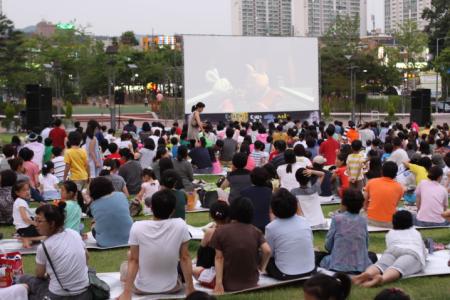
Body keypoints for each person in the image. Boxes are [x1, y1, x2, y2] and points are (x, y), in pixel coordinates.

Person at [118, 189, 195, 298]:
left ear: (151, 208)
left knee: (126, 264)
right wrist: (190, 288)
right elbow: (185, 257)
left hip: (141, 288)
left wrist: (126, 293)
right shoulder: (180, 224)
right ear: (173, 210)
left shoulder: (137, 226)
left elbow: (134, 260)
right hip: (172, 288)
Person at [18, 203, 90, 299]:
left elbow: (39, 275)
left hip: (58, 295)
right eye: (35, 220)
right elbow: (87, 257)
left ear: (52, 223)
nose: (36, 224)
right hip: (84, 293)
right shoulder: (74, 233)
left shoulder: (44, 246)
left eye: (39, 221)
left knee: (23, 278)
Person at [210, 196, 271, 293]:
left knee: (197, 272)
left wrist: (218, 283)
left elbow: (219, 258)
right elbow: (267, 250)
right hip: (252, 282)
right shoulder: (255, 231)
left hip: (227, 284)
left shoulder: (220, 231)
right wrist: (261, 268)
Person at [353, 211, 427, 287]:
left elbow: (389, 246)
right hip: (411, 252)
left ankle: (367, 274)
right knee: (398, 268)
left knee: (380, 265)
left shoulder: (390, 233)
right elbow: (423, 251)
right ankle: (382, 279)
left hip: (392, 250)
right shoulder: (416, 233)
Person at [318, 189, 377, 274]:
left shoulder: (337, 219)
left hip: (337, 265)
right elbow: (366, 245)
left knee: (318, 256)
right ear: (361, 204)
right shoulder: (363, 220)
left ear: (344, 204)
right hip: (360, 265)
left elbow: (328, 245)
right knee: (372, 255)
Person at [265, 188, 315, 280]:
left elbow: (269, 253)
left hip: (285, 273)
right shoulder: (304, 221)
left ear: (273, 208)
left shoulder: (271, 227)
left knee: (262, 256)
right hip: (310, 270)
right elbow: (310, 243)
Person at [193, 202, 230, 287]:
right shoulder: (234, 230)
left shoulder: (210, 232)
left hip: (212, 271)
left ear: (212, 216)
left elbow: (201, 253)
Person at [89, 177, 133, 247]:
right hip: (130, 238)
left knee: (93, 223)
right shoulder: (121, 195)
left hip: (104, 242)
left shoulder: (94, 205)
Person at [364, 162, 404, 228]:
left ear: (381, 171)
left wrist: (365, 209)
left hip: (371, 220)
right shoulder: (399, 187)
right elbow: (395, 204)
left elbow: (364, 201)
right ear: (395, 174)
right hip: (390, 222)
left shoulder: (371, 182)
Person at [12, 181, 45, 248]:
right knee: (46, 235)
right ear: (17, 193)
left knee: (43, 235)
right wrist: (35, 223)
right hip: (25, 228)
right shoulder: (20, 202)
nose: (27, 192)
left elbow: (28, 216)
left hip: (24, 228)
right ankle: (26, 239)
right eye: (24, 190)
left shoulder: (21, 201)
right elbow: (25, 218)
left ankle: (26, 238)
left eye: (28, 189)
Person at [240, 167, 272, 232]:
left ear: (251, 178)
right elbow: (271, 211)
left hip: (249, 225)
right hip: (265, 225)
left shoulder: (244, 192)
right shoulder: (269, 192)